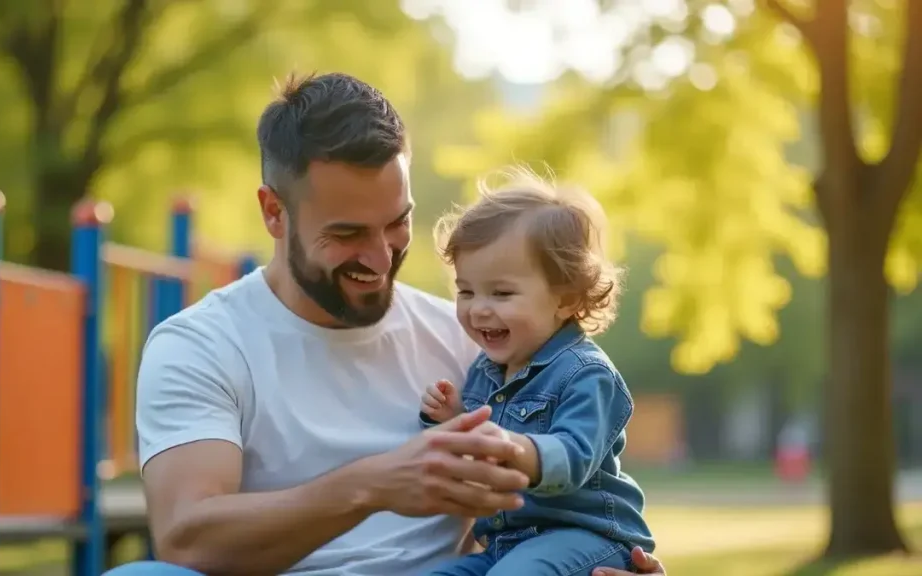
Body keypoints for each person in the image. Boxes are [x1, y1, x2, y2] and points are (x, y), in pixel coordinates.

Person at [104, 72, 666, 576]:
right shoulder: (201, 345)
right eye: (347, 234)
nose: (379, 258)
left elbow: (554, 501)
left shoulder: (468, 337)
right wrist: (371, 486)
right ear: (274, 212)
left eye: (398, 223)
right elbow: (186, 540)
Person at [418, 172, 654, 575]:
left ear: (565, 300)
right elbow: (473, 457)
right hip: (503, 544)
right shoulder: (485, 371)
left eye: (502, 293)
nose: (478, 309)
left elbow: (574, 457)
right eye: (466, 291)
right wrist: (455, 419)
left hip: (584, 537)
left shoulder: (587, 373)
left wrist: (513, 448)